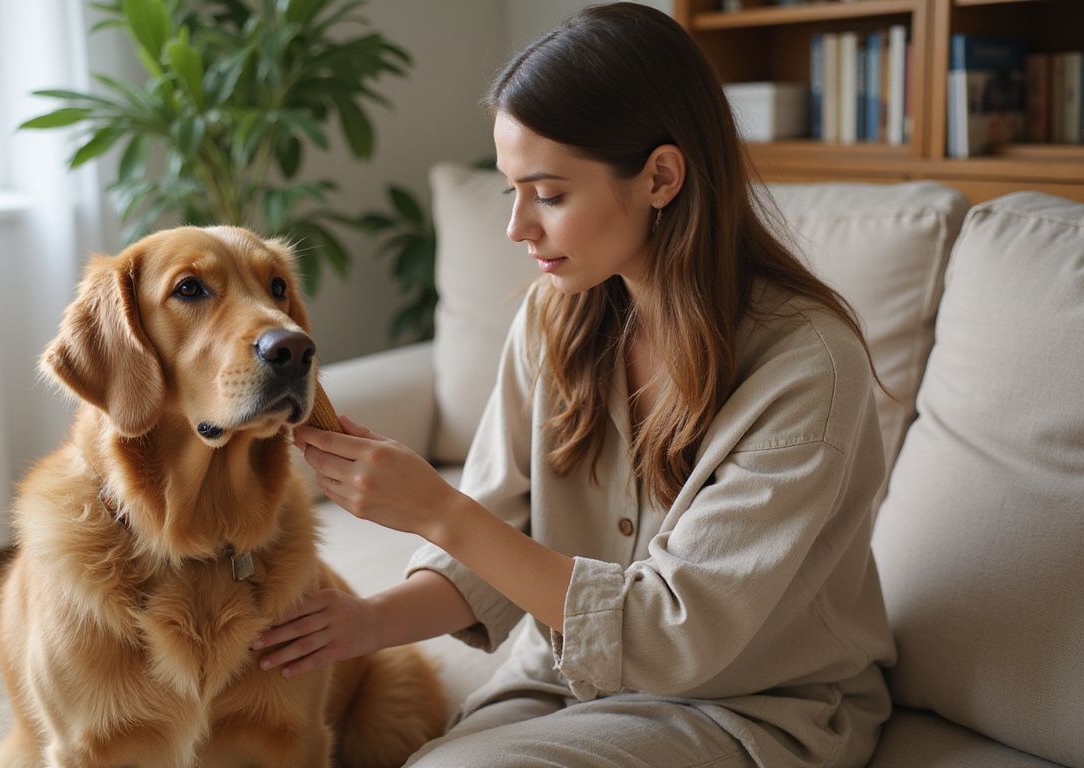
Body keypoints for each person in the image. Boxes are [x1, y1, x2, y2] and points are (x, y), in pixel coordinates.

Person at [253, 4, 896, 765]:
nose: (517, 227)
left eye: (549, 194)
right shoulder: (554, 319)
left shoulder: (808, 370)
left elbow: (674, 634)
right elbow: (502, 533)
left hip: (746, 705)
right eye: (510, 191)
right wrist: (362, 624)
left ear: (661, 177)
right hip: (565, 676)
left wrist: (433, 507)